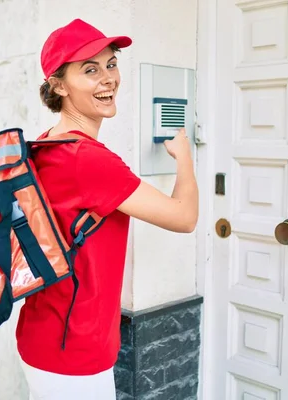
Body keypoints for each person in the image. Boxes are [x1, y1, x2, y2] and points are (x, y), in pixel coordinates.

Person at [15, 18, 199, 400]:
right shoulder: (88, 160)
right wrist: (184, 158)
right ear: (58, 86)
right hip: (74, 355)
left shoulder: (49, 144)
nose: (108, 78)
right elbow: (184, 217)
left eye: (111, 64)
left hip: (43, 338)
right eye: (90, 70)